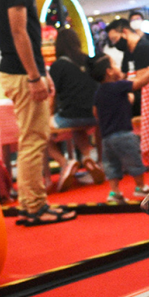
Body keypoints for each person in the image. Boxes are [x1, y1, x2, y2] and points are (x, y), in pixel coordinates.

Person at [0, 0, 76, 226]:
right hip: (20, 73)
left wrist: (41, 73)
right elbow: (19, 33)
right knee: (33, 140)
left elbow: (24, 33)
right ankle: (32, 207)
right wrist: (33, 75)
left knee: (35, 138)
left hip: (22, 72)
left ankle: (34, 204)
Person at [89, 54, 149, 203]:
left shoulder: (99, 92)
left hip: (106, 138)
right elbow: (139, 83)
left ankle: (114, 192)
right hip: (124, 134)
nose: (118, 67)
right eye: (115, 64)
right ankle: (139, 186)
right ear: (109, 71)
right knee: (134, 160)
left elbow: (95, 112)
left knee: (111, 165)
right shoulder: (119, 85)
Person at [47, 28, 104, 192]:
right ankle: (90, 159)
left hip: (70, 115)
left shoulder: (57, 66)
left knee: (41, 132)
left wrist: (50, 115)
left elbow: (53, 95)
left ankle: (65, 164)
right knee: (79, 130)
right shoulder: (88, 60)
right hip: (94, 114)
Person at [106, 18, 149, 115]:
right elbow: (124, 75)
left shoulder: (143, 48)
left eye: (115, 39)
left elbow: (141, 81)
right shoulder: (128, 52)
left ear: (125, 32)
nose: (114, 44)